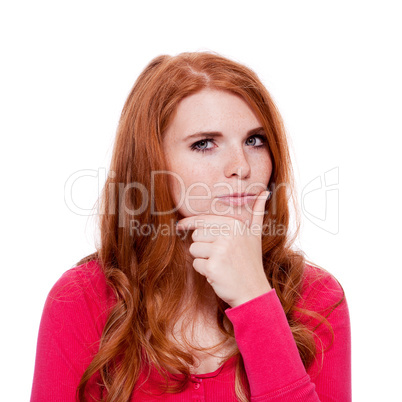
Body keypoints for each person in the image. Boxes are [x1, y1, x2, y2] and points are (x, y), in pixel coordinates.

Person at [30, 52, 351, 401]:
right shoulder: (82, 299)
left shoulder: (317, 298)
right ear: (151, 163)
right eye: (204, 144)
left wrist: (255, 300)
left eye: (254, 140)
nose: (240, 166)